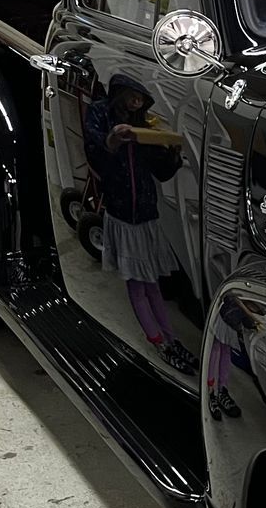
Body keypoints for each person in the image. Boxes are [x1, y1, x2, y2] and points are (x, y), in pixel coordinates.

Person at [83, 72, 198, 373]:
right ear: (120, 94)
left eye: (140, 101)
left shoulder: (143, 126)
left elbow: (161, 171)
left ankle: (170, 339)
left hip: (146, 213)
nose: (136, 104)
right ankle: (159, 341)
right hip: (122, 214)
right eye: (133, 97)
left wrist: (173, 154)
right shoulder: (99, 112)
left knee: (152, 285)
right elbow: (96, 153)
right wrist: (114, 138)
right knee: (137, 284)